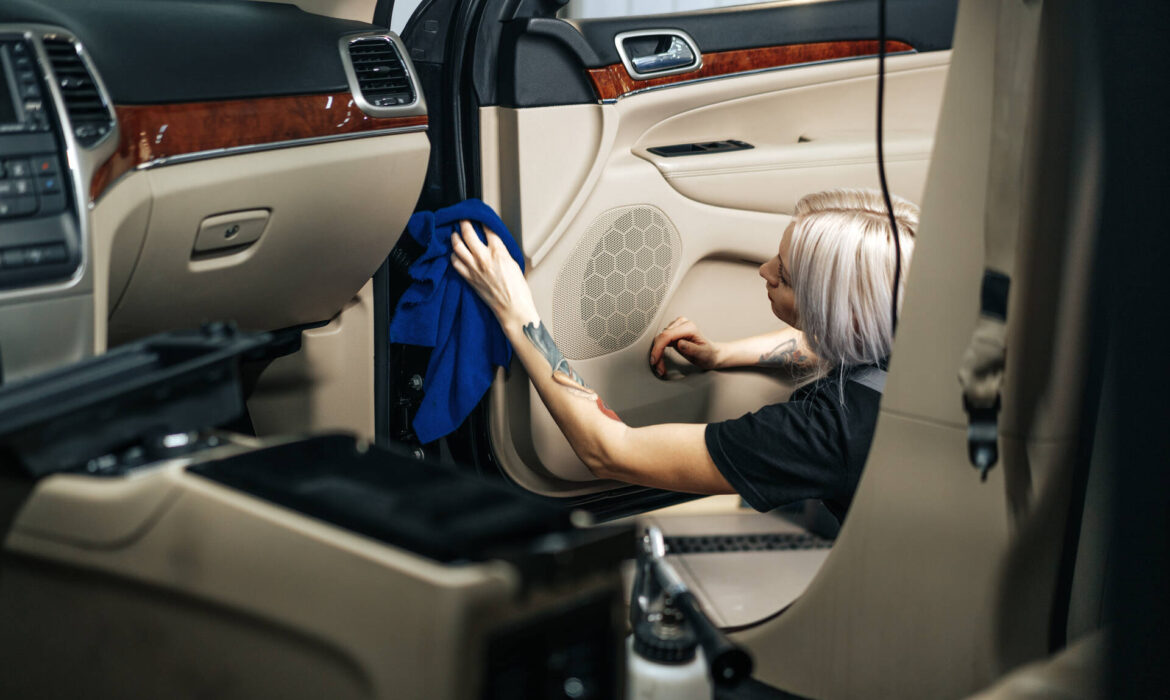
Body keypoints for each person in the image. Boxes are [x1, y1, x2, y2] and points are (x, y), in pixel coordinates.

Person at [450, 188, 918, 522]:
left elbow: (608, 450)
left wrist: (515, 311)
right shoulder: (927, 327)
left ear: (845, 317)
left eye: (786, 277)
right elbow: (815, 345)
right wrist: (719, 356)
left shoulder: (824, 435)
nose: (764, 270)